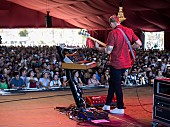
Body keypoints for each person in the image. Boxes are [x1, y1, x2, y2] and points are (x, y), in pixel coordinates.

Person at [95, 15, 142, 114]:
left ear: (112, 23)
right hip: (126, 62)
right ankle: (107, 105)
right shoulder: (129, 30)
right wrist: (129, 48)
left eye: (110, 24)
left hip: (116, 63)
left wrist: (100, 49)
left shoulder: (113, 33)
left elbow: (108, 51)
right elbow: (139, 43)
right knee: (113, 83)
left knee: (116, 85)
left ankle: (120, 107)